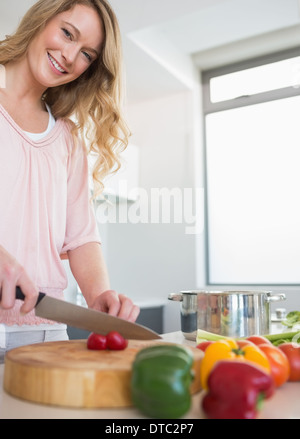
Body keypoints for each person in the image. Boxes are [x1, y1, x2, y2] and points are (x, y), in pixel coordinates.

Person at [0, 0, 140, 359]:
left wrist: (99, 297)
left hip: (45, 327)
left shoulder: (67, 138)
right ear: (41, 18)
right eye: (67, 33)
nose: (69, 56)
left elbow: (80, 237)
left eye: (86, 54)